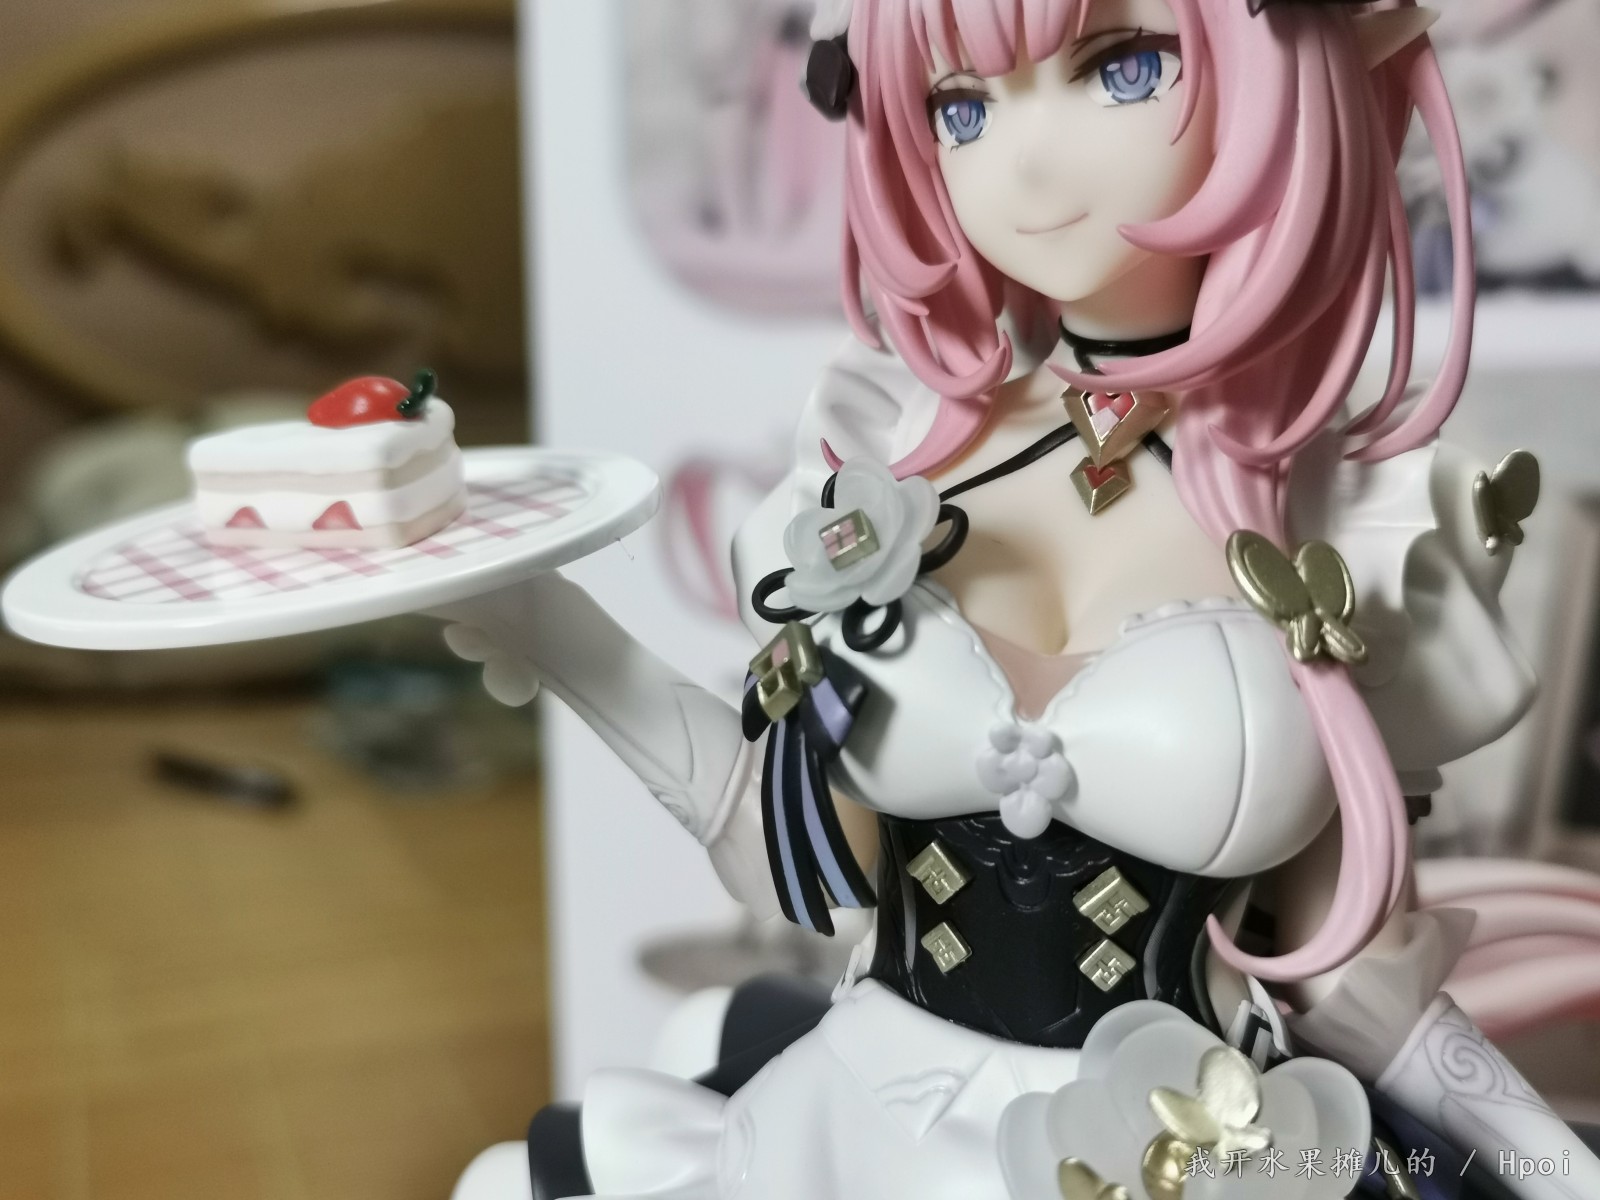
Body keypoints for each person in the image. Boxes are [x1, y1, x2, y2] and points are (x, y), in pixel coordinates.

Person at [441, 0, 1600, 1195]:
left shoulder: (1351, 517)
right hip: (854, 1127)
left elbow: (1345, 974)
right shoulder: (888, 454)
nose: (1024, 164)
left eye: (1124, 68)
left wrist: (1558, 1171)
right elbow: (802, 854)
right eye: (960, 107)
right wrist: (547, 623)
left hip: (1185, 1144)